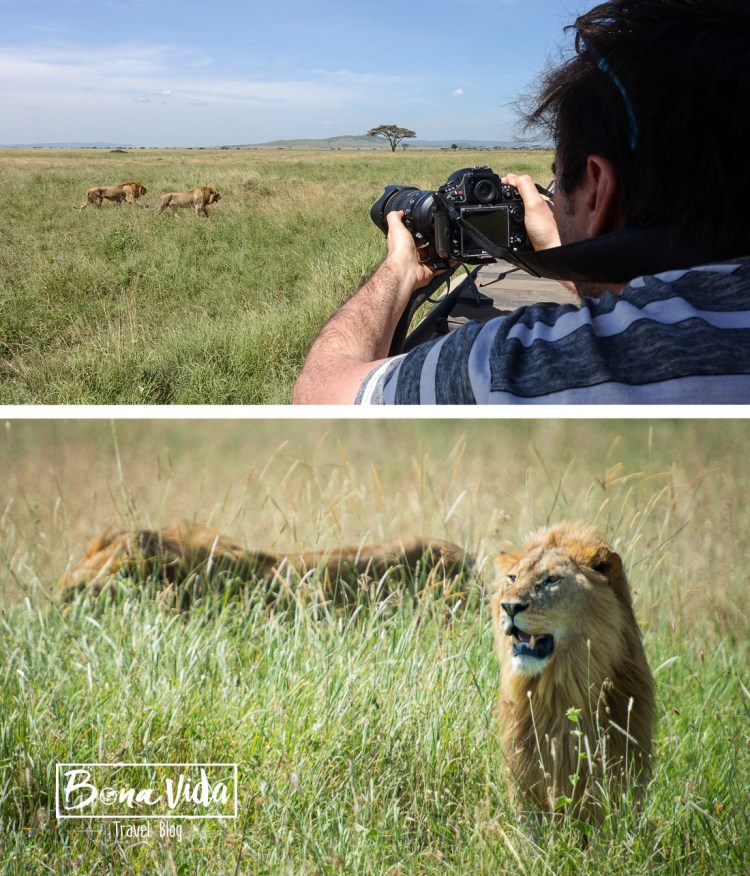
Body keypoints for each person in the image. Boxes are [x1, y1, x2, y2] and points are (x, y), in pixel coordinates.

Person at [293, 0, 750, 405]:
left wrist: (397, 270)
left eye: (557, 179)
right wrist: (560, 247)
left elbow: (320, 396)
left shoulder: (525, 364)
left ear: (597, 189)